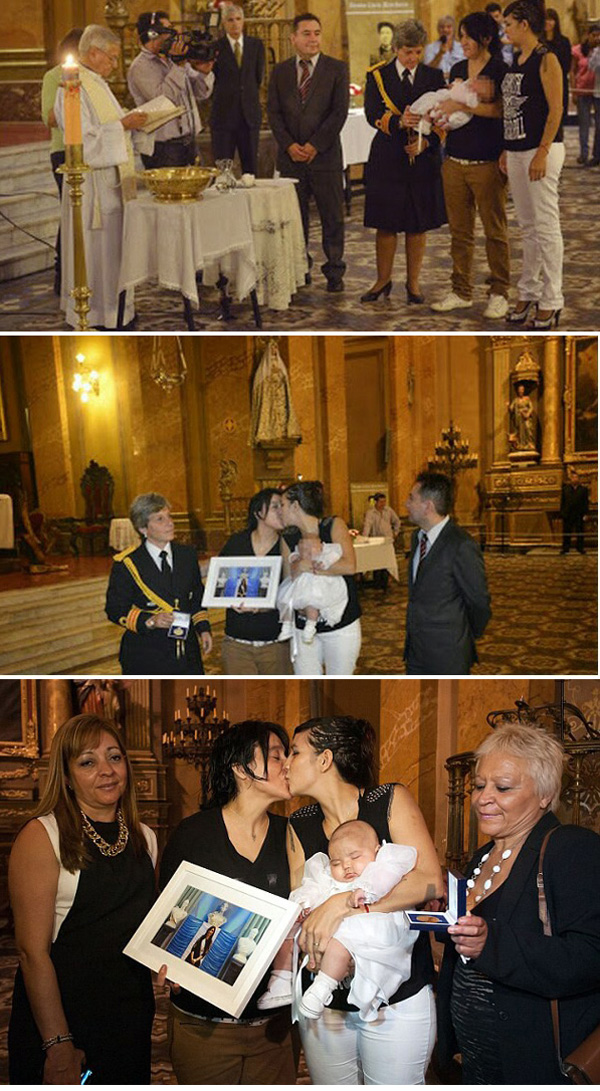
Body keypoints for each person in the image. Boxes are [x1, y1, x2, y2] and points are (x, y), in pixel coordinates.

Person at [436, 722, 600, 1084]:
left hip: (534, 1061)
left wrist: (489, 943)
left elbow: (590, 956)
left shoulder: (570, 848)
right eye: (479, 785)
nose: (482, 798)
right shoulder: (480, 857)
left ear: (544, 795)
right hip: (476, 1060)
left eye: (503, 787)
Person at [284, 716, 442, 1084]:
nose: (285, 763)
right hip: (325, 1001)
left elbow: (430, 882)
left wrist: (341, 905)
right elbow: (301, 902)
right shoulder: (299, 824)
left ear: (324, 760)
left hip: (397, 1001)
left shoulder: (388, 800)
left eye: (294, 752)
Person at [8, 714, 157, 1084]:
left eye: (115, 757)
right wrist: (58, 1044)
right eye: (88, 762)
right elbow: (32, 952)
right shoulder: (43, 835)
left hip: (131, 1015)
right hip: (64, 1019)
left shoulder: (145, 837)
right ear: (68, 776)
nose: (106, 770)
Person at [159, 720, 297, 1085]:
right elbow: (168, 920)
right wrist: (168, 963)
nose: (288, 764)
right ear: (240, 768)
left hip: (275, 1027)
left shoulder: (292, 835)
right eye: (276, 756)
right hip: (204, 1024)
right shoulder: (193, 835)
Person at [259, 819, 418, 1022]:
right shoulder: (329, 875)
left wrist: (366, 890)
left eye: (355, 857)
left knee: (339, 944)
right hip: (331, 928)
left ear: (377, 851)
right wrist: (304, 904)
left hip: (370, 927)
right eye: (336, 862)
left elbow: (388, 873)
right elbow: (313, 887)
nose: (346, 866)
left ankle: (322, 988)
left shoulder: (379, 868)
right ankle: (281, 978)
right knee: (288, 925)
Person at [54, 25, 148, 330]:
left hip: (112, 183)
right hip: (92, 189)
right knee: (98, 254)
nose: (115, 65)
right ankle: (97, 313)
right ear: (93, 53)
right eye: (111, 57)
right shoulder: (72, 88)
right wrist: (122, 125)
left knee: (115, 251)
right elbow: (80, 139)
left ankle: (119, 310)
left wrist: (136, 122)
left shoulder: (98, 83)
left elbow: (110, 122)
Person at [430, 12, 510, 320]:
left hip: (487, 161)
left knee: (495, 231)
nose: (462, 42)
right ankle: (461, 290)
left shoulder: (500, 70)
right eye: (460, 36)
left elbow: (502, 111)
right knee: (459, 232)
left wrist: (463, 105)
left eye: (467, 37)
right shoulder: (459, 68)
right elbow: (450, 105)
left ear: (486, 38)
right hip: (454, 160)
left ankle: (500, 291)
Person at [361, 20, 447, 306]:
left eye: (418, 52)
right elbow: (372, 111)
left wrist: (426, 141)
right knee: (385, 223)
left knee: (416, 223)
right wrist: (399, 121)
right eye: (407, 51)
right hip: (388, 157)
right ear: (396, 48)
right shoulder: (378, 76)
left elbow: (443, 118)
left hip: (422, 159)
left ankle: (413, 283)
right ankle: (382, 279)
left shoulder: (434, 77)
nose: (412, 58)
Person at [267, 13, 349, 293]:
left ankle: (335, 270)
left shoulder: (336, 68)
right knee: (295, 219)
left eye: (317, 33)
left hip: (324, 157)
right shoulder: (279, 71)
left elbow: (338, 113)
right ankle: (300, 268)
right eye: (306, 33)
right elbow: (274, 114)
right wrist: (290, 145)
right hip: (291, 159)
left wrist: (315, 145)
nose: (313, 39)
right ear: (293, 38)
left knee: (332, 217)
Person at [501, 0, 565, 329]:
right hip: (516, 149)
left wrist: (541, 151)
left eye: (509, 24)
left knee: (545, 226)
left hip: (541, 150)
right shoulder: (517, 58)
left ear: (524, 24)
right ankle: (528, 289)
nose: (505, 30)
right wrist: (507, 148)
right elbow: (513, 108)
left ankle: (552, 299)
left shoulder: (546, 58)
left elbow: (556, 109)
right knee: (527, 227)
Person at [105, 492, 212, 675]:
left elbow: (197, 596)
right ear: (143, 528)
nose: (170, 522)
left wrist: (203, 629)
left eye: (169, 516)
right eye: (160, 519)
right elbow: (115, 609)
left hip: (187, 651)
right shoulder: (127, 563)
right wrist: (150, 620)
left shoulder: (187, 555)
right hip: (146, 654)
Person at [405, 472, 491, 675]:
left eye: (411, 498)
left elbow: (479, 601)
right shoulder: (417, 538)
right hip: (415, 649)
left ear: (428, 506)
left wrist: (464, 634)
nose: (406, 503)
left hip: (448, 653)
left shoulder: (461, 544)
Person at [280, 480, 362, 675]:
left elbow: (350, 566)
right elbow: (288, 579)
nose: (279, 511)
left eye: (282, 505)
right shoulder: (288, 537)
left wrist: (307, 566)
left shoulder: (333, 525)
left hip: (341, 624)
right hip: (303, 625)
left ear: (295, 506)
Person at [127, 11, 215, 169]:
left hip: (189, 141)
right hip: (164, 148)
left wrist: (204, 72)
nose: (173, 38)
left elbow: (201, 93)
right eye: (168, 32)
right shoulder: (140, 67)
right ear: (152, 34)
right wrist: (178, 66)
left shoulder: (173, 60)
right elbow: (164, 100)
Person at [219, 489, 292, 674]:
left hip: (276, 643)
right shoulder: (237, 542)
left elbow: (294, 594)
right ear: (259, 512)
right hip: (237, 643)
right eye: (275, 506)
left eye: (282, 506)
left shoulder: (288, 546)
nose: (281, 511)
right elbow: (220, 579)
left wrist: (264, 606)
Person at [40, 28, 83, 295]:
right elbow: (49, 119)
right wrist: (68, 95)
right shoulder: (54, 76)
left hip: (88, 149)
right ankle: (61, 272)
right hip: (63, 151)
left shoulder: (91, 76)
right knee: (69, 212)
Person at [210, 4, 265, 175]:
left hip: (249, 116)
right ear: (224, 24)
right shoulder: (216, 47)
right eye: (230, 20)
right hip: (224, 116)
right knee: (223, 170)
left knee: (251, 170)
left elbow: (258, 77)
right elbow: (213, 79)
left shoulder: (255, 45)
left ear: (244, 22)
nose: (235, 24)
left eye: (238, 19)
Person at [277, 538, 348, 646]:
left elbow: (335, 554)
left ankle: (310, 627)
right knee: (285, 601)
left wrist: (324, 562)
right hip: (300, 586)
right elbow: (292, 558)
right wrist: (296, 559)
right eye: (304, 549)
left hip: (318, 586)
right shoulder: (299, 557)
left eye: (312, 548)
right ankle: (286, 625)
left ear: (321, 547)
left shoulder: (324, 555)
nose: (308, 552)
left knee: (312, 605)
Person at [571, 23, 600, 166]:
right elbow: (573, 71)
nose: (597, 38)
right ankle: (583, 153)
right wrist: (574, 91)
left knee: (599, 125)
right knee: (584, 124)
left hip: (598, 90)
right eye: (594, 35)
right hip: (583, 89)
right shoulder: (577, 50)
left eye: (599, 35)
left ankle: (596, 154)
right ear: (588, 35)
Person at [362, 492, 400, 590]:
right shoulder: (370, 513)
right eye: (381, 502)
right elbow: (367, 525)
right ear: (376, 502)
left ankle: (385, 582)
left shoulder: (389, 510)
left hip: (388, 540)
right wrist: (365, 538)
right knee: (376, 562)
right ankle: (377, 582)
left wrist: (396, 532)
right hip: (376, 541)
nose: (383, 504)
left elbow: (397, 521)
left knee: (387, 561)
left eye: (384, 501)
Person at [545, 8, 572, 122]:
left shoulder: (564, 41)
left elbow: (566, 64)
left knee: (558, 118)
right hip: (541, 83)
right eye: (545, 19)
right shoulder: (538, 41)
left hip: (559, 82)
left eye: (550, 19)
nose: (547, 22)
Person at [560, 466, 589, 553]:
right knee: (566, 532)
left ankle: (580, 547)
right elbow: (563, 502)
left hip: (579, 513)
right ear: (570, 479)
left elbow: (585, 502)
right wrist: (562, 513)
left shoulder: (583, 489)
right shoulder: (566, 489)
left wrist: (586, 514)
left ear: (579, 479)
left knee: (580, 531)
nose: (575, 479)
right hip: (568, 513)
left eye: (576, 477)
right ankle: (566, 548)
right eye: (573, 477)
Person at [508, 382, 537, 448]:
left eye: (522, 389)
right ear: (518, 391)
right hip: (519, 418)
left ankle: (529, 443)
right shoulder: (516, 400)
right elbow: (511, 409)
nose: (520, 391)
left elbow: (531, 407)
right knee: (520, 431)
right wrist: (508, 406)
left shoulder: (527, 398)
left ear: (523, 390)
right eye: (519, 390)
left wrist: (528, 414)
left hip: (526, 417)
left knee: (528, 429)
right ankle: (522, 444)